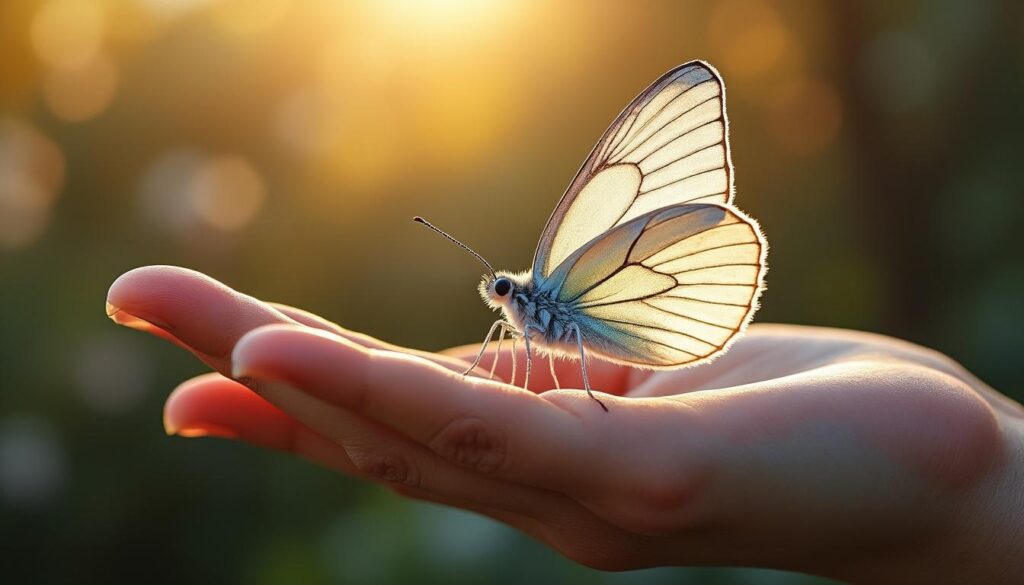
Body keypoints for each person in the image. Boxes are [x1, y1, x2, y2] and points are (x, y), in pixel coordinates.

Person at [106, 265, 1023, 583]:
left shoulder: (545, 291)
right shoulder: (526, 313)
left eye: (505, 292)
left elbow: (553, 343)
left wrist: (983, 481)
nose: (504, 300)